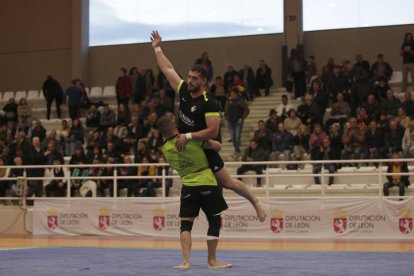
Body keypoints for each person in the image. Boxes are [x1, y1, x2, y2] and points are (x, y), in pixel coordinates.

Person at [151, 30, 266, 222]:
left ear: (204, 80)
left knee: (227, 182)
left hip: (206, 145)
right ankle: (207, 220)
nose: (190, 81)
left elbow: (212, 131)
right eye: (189, 77)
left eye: (194, 78)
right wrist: (157, 49)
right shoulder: (185, 91)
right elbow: (168, 69)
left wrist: (188, 136)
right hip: (188, 146)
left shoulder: (210, 102)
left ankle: (255, 201)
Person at [157, 116, 231, 269]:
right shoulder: (192, 139)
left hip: (188, 185)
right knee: (214, 221)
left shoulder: (165, 149)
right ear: (176, 125)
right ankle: (212, 261)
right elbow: (217, 146)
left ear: (162, 133)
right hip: (207, 182)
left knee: (185, 225)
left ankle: (186, 262)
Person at [224, 88, 249, 155]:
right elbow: (226, 110)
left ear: (236, 94)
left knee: (237, 136)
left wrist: (242, 118)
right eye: (231, 94)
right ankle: (236, 149)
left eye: (233, 94)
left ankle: (237, 149)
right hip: (230, 121)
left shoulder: (241, 101)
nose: (232, 95)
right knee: (233, 137)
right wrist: (226, 117)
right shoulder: (229, 101)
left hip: (238, 122)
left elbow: (246, 110)